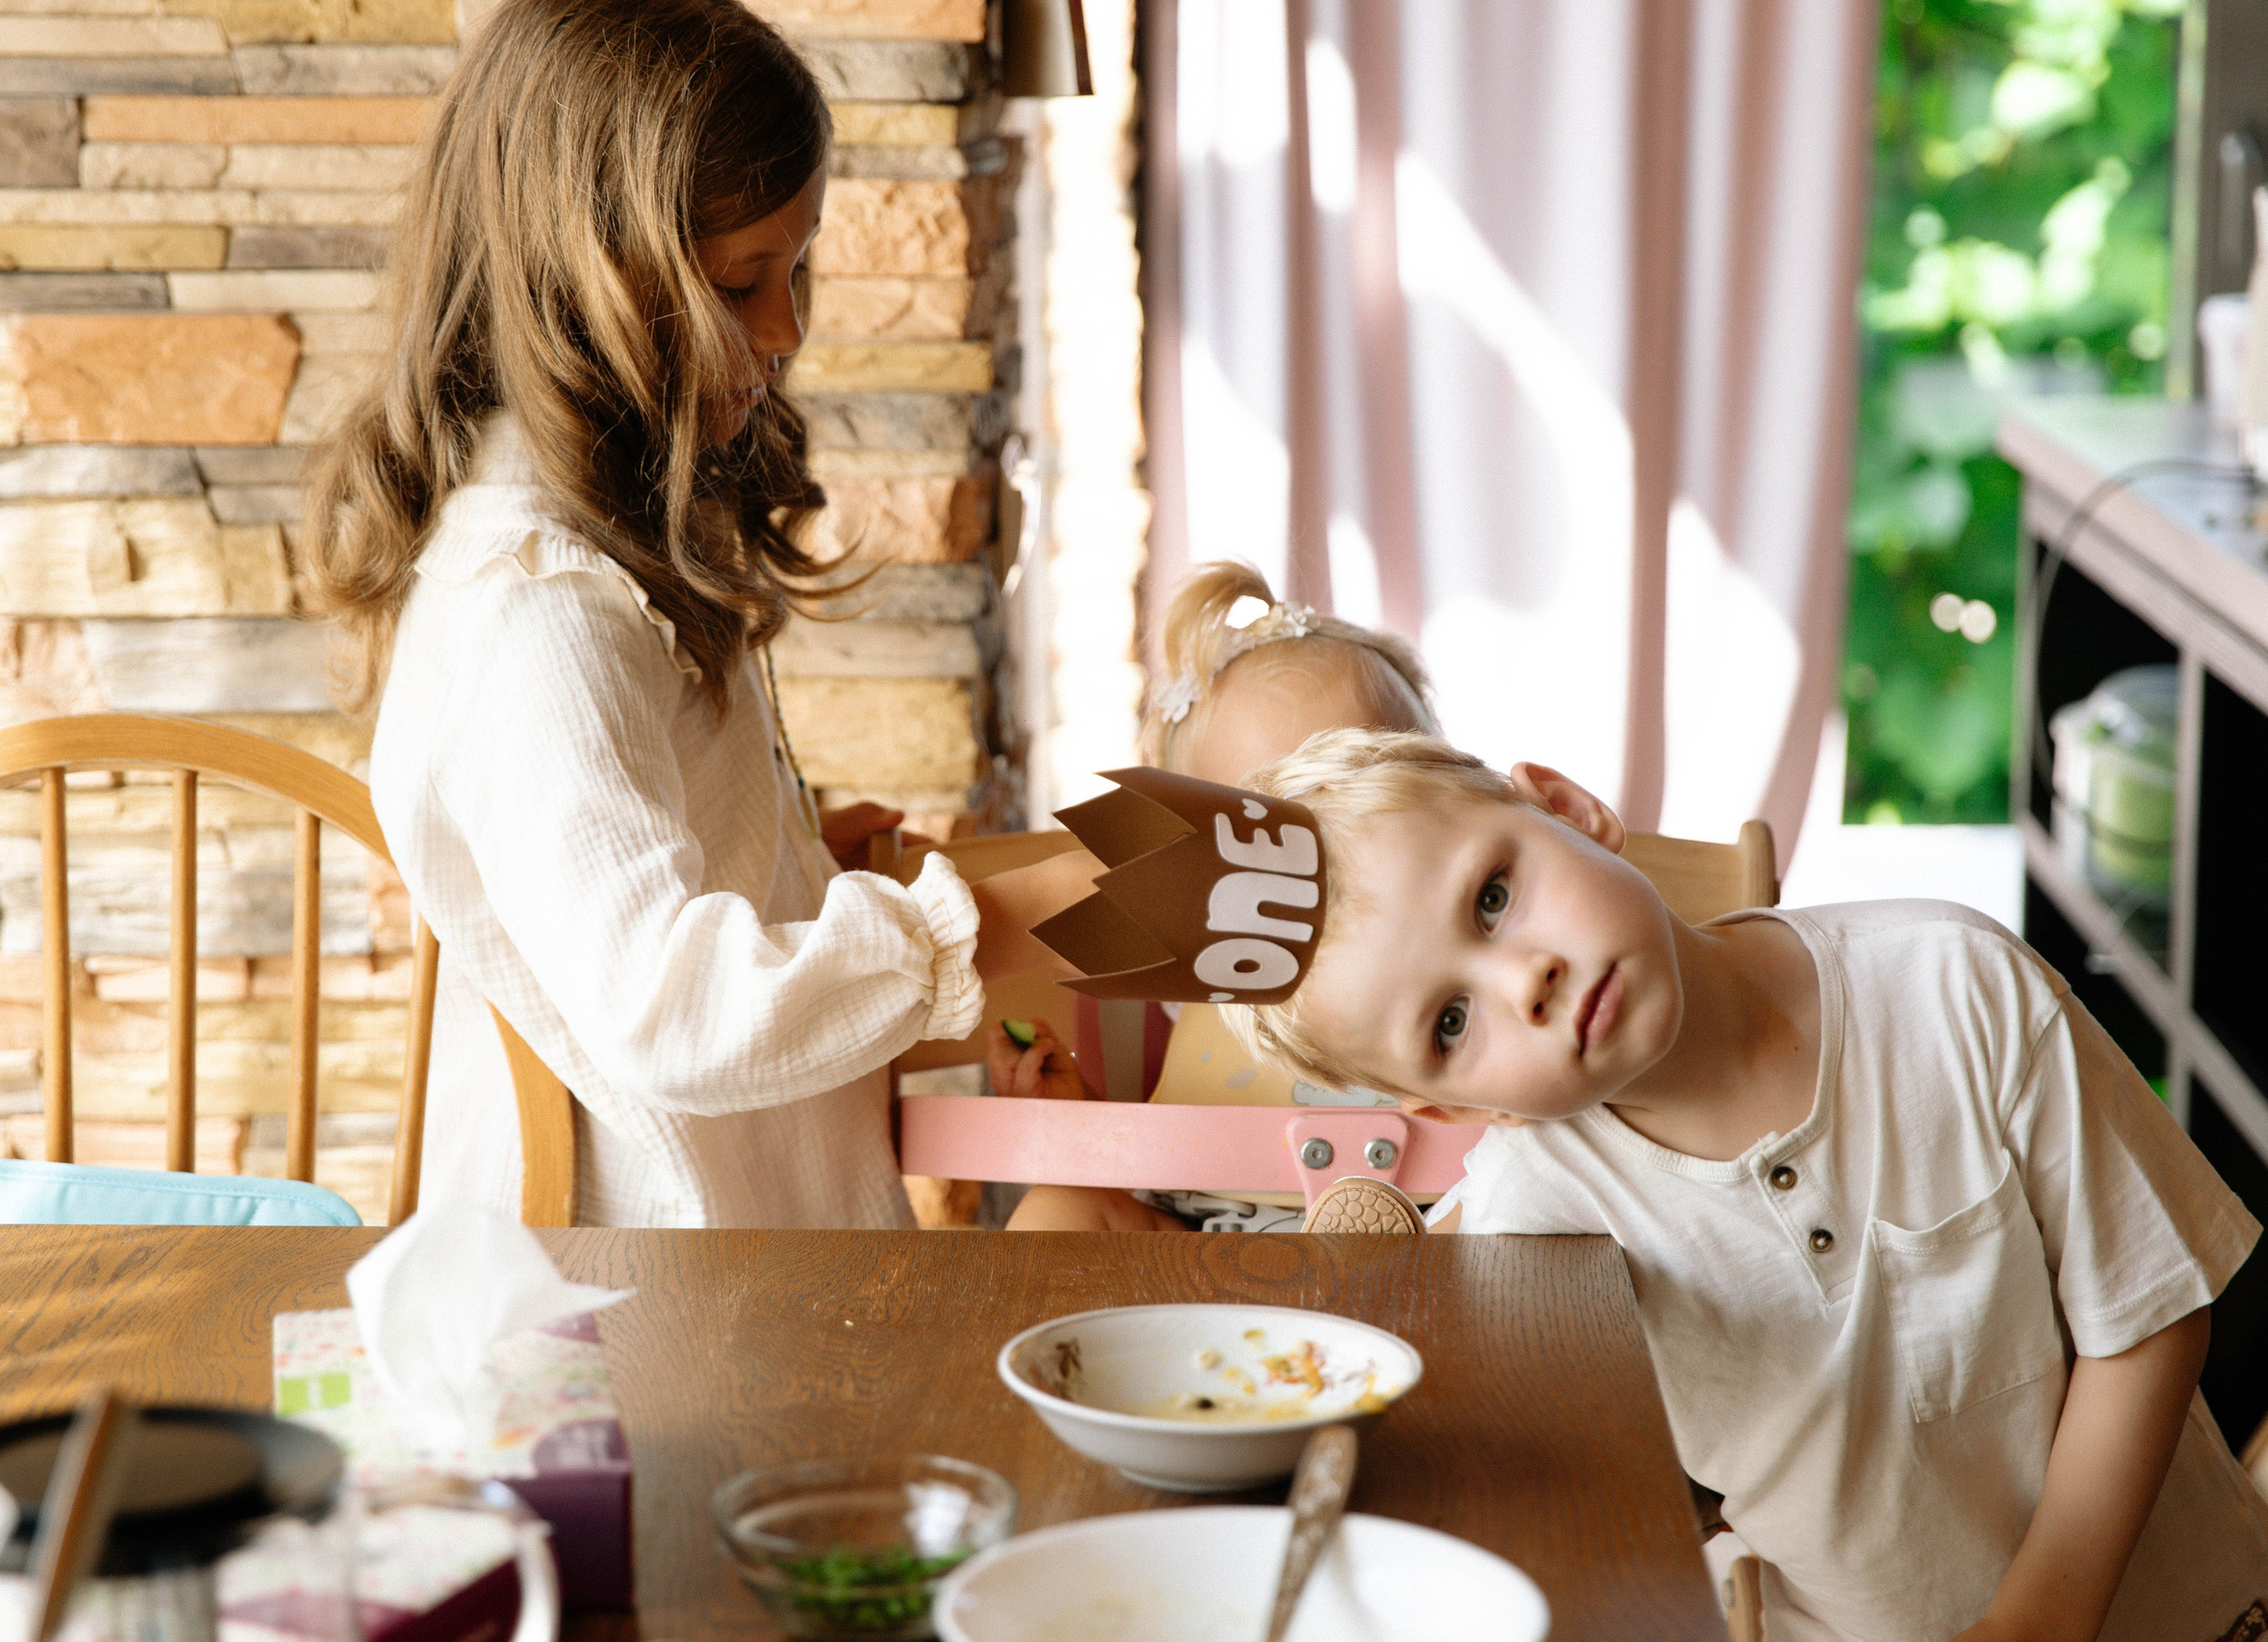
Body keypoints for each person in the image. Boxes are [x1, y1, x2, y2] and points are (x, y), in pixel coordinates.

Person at [1214, 727, 2267, 1642]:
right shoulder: (1529, 1218)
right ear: (1451, 1111)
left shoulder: (1958, 985)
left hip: (2188, 1612)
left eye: (1492, 897)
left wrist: (2036, 1624)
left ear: (1565, 807)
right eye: (1449, 1023)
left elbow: (2144, 1319)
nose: (1521, 981)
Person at [305, 0, 1089, 1226]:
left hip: (741, 1280)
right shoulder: (535, 615)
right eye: (740, 282)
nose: (782, 330)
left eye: (797, 266)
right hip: (648, 1331)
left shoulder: (603, 543)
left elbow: (633, 867)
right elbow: (671, 1011)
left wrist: (789, 858)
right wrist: (986, 923)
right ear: (580, 274)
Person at [991, 562, 1438, 1232]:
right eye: (1270, 826)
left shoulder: (1468, 943)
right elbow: (1151, 1146)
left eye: (1365, 787)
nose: (1323, 855)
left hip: (1435, 1229)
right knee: (1060, 1211)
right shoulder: (1195, 950)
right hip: (1198, 1243)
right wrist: (1076, 1112)